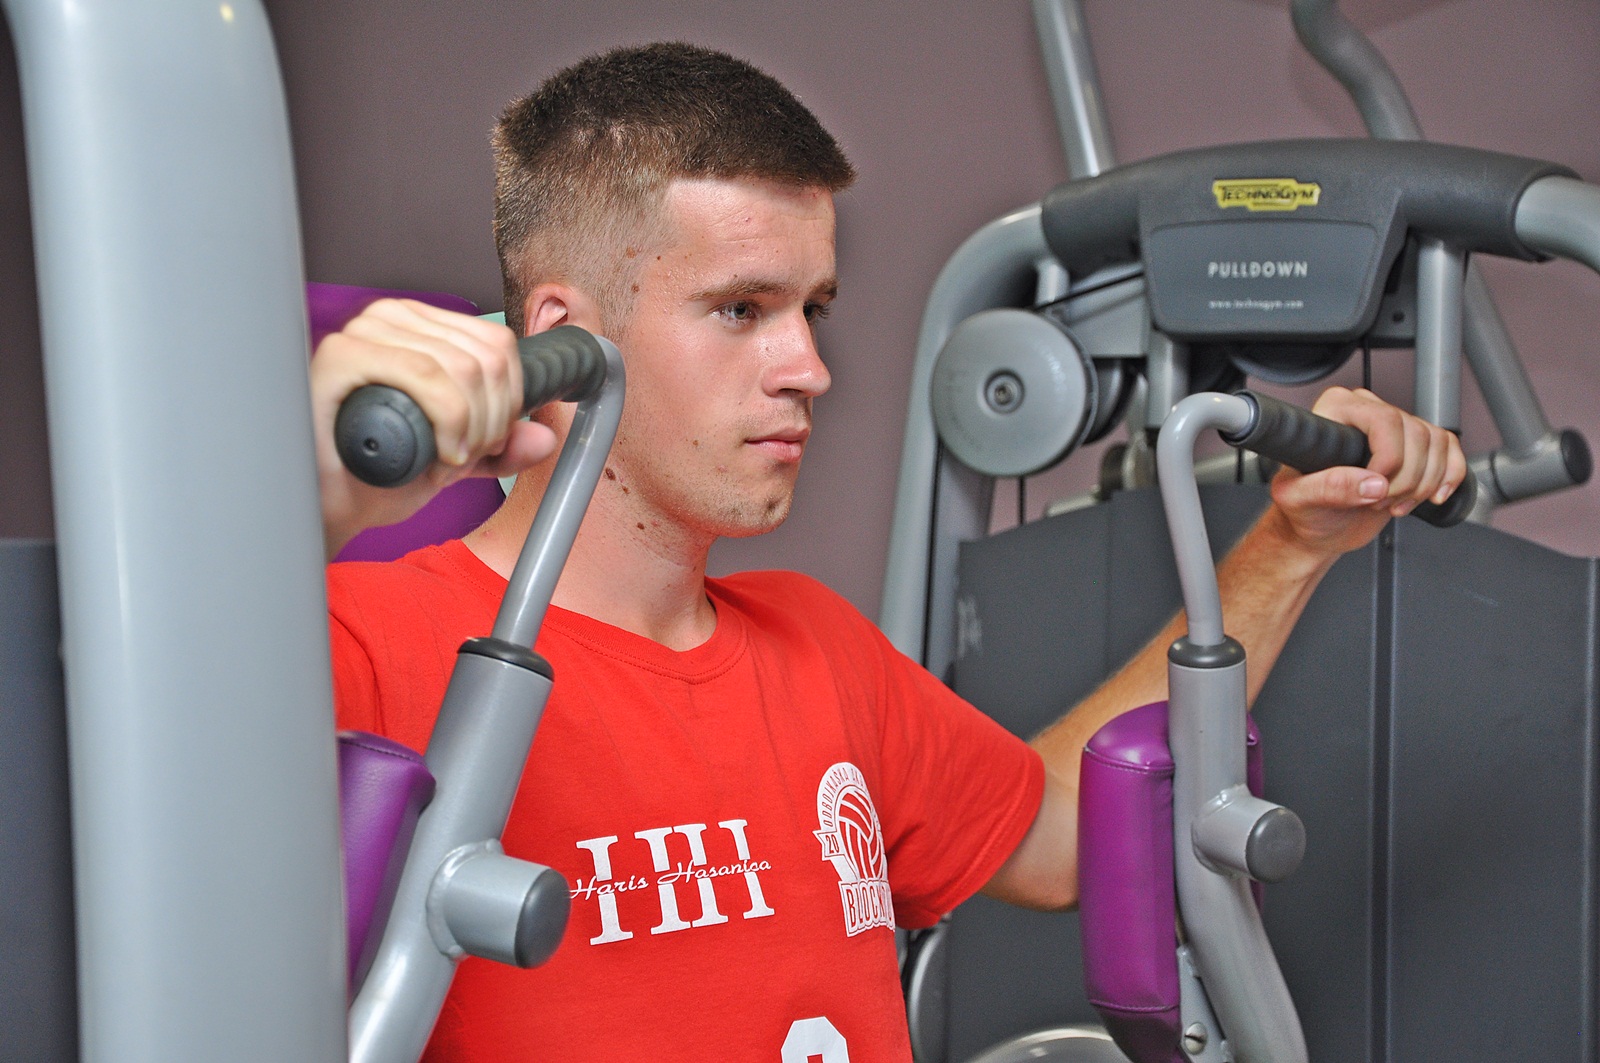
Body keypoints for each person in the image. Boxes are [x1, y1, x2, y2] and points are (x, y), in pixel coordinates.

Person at [313, 43, 1465, 1062]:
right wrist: (318, 482)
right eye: (740, 309)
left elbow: (1067, 833)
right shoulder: (356, 649)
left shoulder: (813, 646)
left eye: (811, 308)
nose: (809, 369)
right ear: (567, 340)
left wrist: (1292, 541)